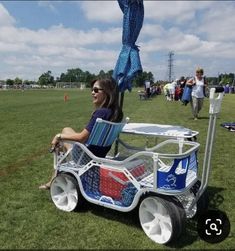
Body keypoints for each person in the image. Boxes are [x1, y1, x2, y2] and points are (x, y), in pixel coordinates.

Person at [39, 78, 123, 190]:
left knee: (64, 133)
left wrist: (58, 136)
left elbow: (82, 138)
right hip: (99, 154)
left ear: (107, 92)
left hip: (87, 157)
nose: (92, 92)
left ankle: (54, 179)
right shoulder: (116, 113)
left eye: (96, 90)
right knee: (67, 130)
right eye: (92, 89)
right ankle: (55, 177)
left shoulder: (101, 113)